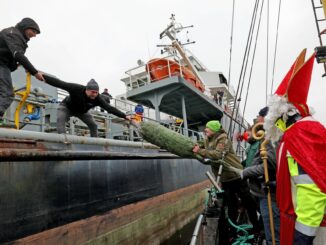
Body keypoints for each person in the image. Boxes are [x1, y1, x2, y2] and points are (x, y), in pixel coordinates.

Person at [264, 50, 326, 245]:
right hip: (306, 221)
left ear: (283, 113)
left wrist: (303, 237)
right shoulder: (301, 131)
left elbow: (312, 188)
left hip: (310, 228)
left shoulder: (299, 134)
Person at [192, 120, 260, 238]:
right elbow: (200, 144)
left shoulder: (223, 139)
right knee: (231, 205)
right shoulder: (208, 139)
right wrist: (196, 146)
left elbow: (218, 154)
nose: (205, 130)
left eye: (207, 128)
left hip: (236, 176)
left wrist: (200, 151)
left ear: (214, 129)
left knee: (248, 201)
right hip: (225, 179)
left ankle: (257, 227)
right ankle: (232, 231)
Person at [233, 107, 281, 245]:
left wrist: (245, 172)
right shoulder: (264, 137)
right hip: (260, 190)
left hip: (267, 192)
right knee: (267, 225)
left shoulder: (270, 137)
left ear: (265, 118)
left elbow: (270, 164)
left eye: (259, 116)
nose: (256, 119)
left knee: (272, 231)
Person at [43, 74, 132, 137]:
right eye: (92, 92)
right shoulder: (76, 89)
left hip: (82, 112)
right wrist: (41, 76)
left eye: (96, 92)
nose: (94, 94)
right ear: (87, 89)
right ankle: (63, 141)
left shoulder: (98, 98)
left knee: (93, 125)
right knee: (60, 120)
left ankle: (94, 144)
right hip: (66, 107)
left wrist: (124, 116)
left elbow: (109, 108)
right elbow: (60, 83)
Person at [0, 18, 44, 122]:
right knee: (7, 93)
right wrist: (35, 72)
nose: (34, 35)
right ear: (25, 27)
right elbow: (18, 55)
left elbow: (14, 56)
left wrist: (21, 65)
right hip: (0, 64)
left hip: (3, 64)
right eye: (33, 31)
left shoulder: (16, 36)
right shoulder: (13, 34)